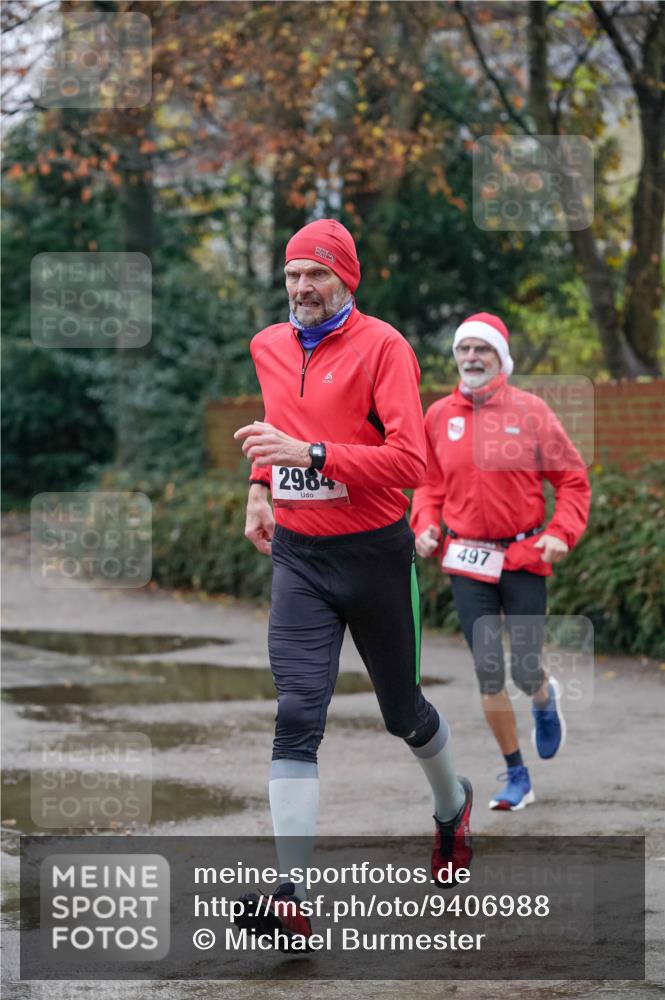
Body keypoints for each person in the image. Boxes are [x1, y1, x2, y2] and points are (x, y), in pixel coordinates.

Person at [233, 219, 472, 949]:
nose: (302, 287)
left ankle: (451, 808)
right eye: (293, 274)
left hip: (375, 556)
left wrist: (309, 453)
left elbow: (411, 463)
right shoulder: (268, 345)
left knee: (402, 712)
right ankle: (291, 896)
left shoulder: (383, 348)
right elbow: (278, 426)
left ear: (346, 278)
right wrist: (258, 486)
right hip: (300, 557)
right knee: (297, 711)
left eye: (317, 274)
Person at [411, 312, 590, 812]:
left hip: (524, 554)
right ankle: (517, 774)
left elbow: (572, 480)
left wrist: (561, 533)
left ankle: (541, 694)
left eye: (481, 350)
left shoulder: (532, 412)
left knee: (524, 666)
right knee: (489, 670)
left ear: (500, 359)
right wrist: (424, 524)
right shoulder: (438, 416)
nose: (471, 358)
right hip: (467, 560)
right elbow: (428, 484)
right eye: (464, 349)